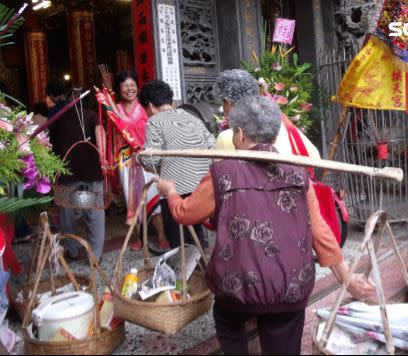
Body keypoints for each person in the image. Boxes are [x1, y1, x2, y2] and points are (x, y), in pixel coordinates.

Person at [155, 96, 375, 355]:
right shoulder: (298, 172)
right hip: (290, 289)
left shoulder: (223, 172)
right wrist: (346, 278)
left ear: (239, 134)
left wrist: (169, 191)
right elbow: (320, 231)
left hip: (236, 292)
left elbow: (183, 213)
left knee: (228, 316)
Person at [137, 80, 215, 249]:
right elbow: (211, 143)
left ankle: (184, 273)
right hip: (201, 185)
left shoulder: (154, 121)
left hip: (174, 189)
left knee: (178, 240)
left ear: (149, 106)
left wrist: (139, 158)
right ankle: (199, 269)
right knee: (196, 234)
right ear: (170, 101)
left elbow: (153, 158)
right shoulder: (191, 116)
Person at [45, 79, 105, 260]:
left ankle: (72, 251)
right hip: (89, 172)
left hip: (67, 173)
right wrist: (103, 158)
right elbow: (100, 137)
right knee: (92, 212)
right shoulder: (92, 115)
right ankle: (95, 255)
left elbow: (49, 142)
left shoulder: (56, 116)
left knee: (68, 214)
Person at [113, 70, 168, 251]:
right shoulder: (115, 109)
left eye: (132, 85)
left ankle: (161, 235)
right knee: (132, 199)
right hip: (126, 160)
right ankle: (138, 237)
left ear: (137, 86)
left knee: (152, 196)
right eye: (124, 86)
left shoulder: (145, 106)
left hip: (146, 157)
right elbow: (111, 136)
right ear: (119, 89)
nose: (129, 89)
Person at [214, 69, 321, 159]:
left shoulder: (228, 137)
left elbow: (219, 179)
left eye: (222, 103)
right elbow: (314, 156)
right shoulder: (282, 125)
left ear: (227, 102)